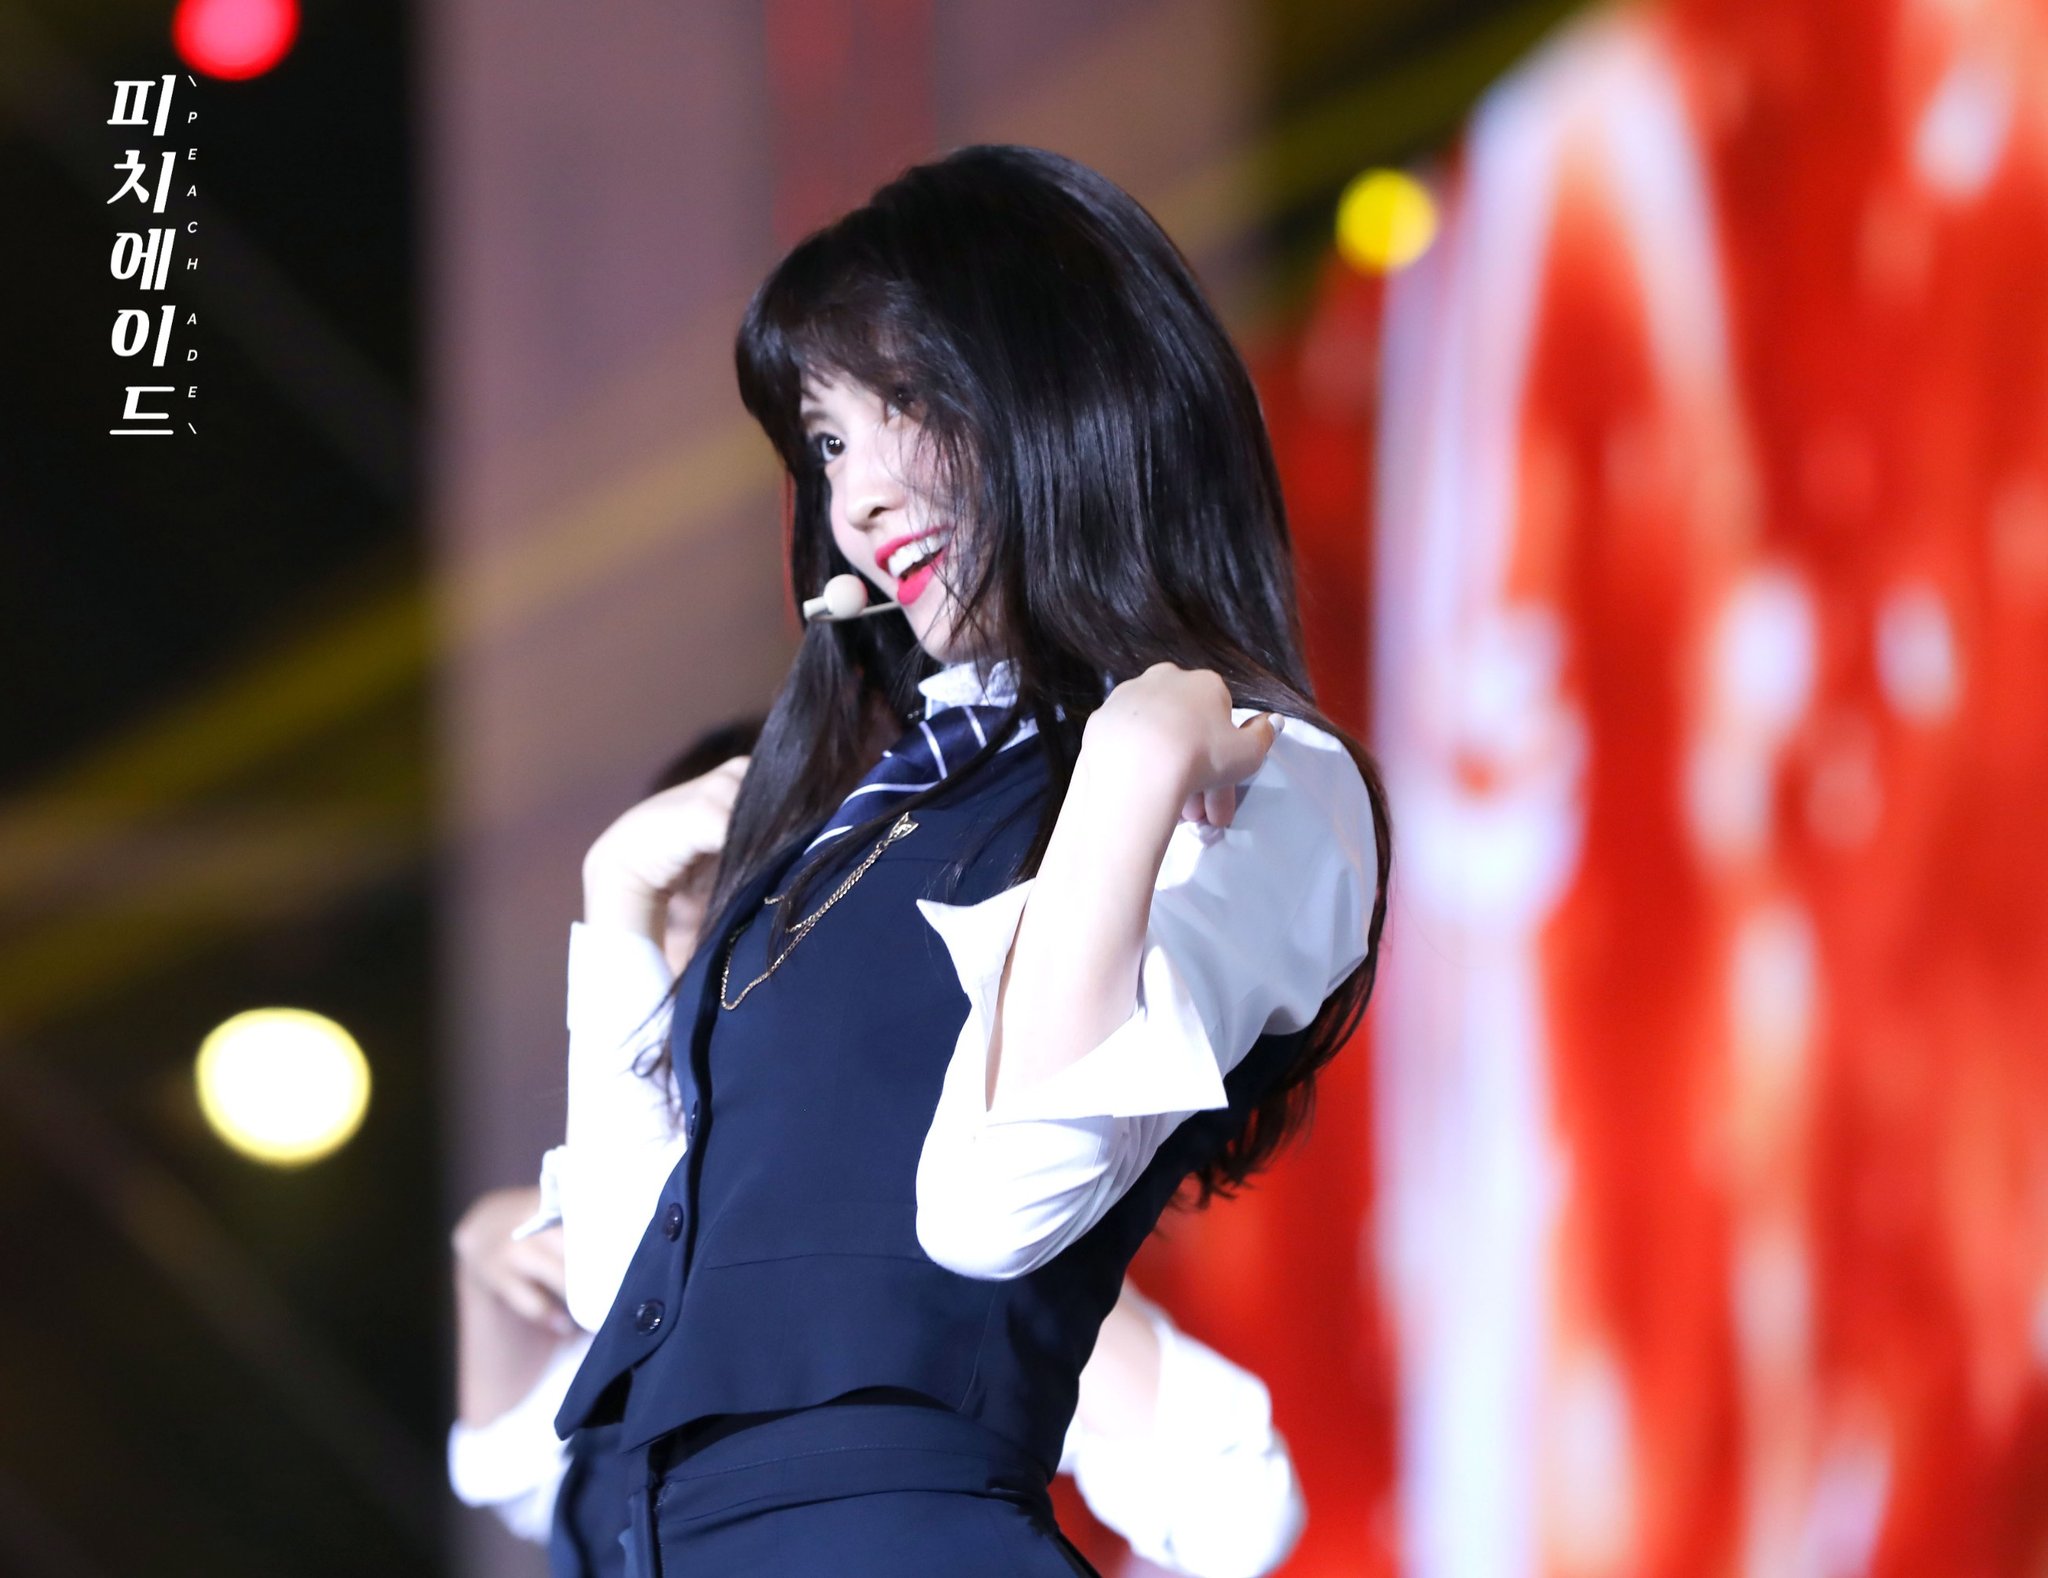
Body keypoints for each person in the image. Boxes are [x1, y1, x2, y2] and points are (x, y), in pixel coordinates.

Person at [556, 144, 1390, 1574]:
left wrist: (1133, 764)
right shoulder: (867, 811)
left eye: (906, 406)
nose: (857, 502)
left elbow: (994, 1212)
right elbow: (632, 1291)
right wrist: (616, 915)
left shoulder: (1264, 781)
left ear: (1066, 389)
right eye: (826, 443)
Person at [448, 722, 1308, 1577]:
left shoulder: (927, 1216)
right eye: (672, 914)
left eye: (744, 922)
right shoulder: (639, 1219)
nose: (699, 965)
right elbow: (518, 1474)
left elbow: (1239, 1508)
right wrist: (479, 1257)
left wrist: (1016, 1283)